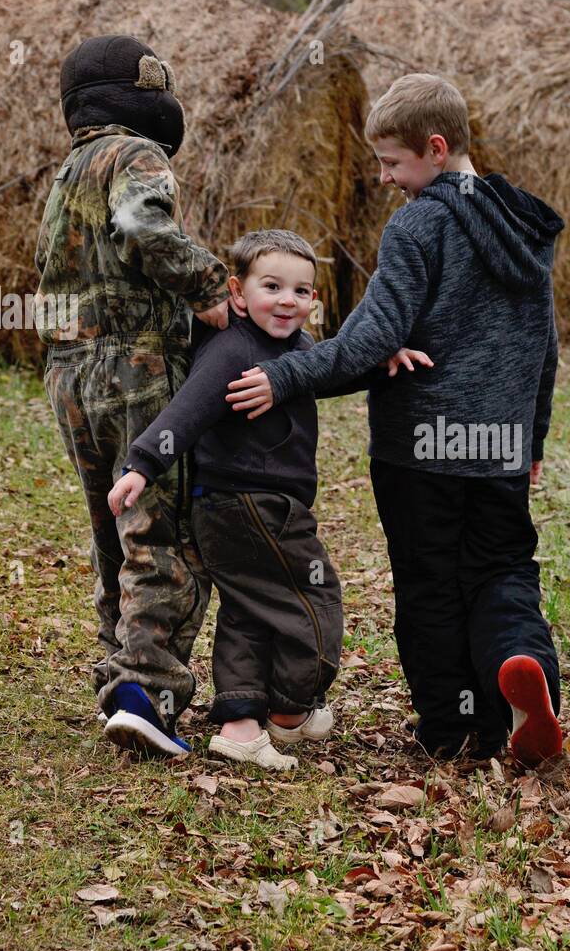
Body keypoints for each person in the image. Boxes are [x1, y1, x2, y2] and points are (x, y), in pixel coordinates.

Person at [225, 73, 566, 766]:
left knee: (429, 583)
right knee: (503, 570)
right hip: (499, 444)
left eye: (391, 162)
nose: (383, 179)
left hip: (422, 450)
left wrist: (285, 375)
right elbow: (545, 344)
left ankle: (452, 729)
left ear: (435, 149)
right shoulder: (525, 222)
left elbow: (371, 339)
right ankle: (522, 679)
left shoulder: (419, 223)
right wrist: (533, 434)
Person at [108, 229, 429, 770]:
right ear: (237, 293)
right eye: (273, 286)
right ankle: (290, 711)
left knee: (248, 612)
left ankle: (240, 725)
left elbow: (327, 369)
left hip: (227, 509)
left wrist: (381, 360)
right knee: (317, 602)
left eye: (302, 292)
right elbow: (188, 411)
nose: (288, 301)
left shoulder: (290, 348)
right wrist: (141, 463)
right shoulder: (233, 348)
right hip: (256, 506)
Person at [37, 34, 231, 759]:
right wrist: (212, 289)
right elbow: (145, 226)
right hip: (136, 367)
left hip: (68, 374)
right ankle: (147, 690)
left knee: (110, 528)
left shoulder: (68, 171)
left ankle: (116, 675)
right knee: (163, 532)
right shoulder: (135, 156)